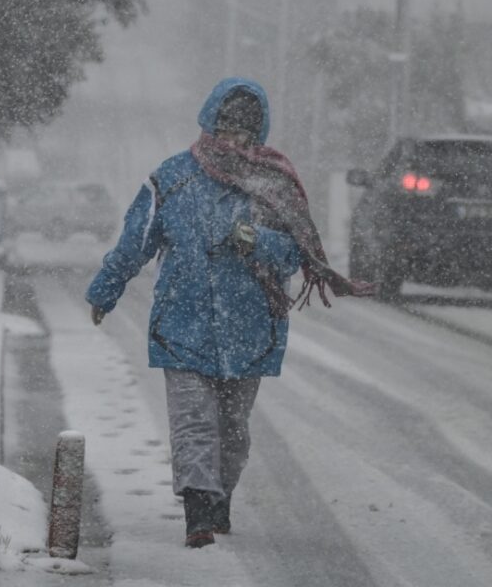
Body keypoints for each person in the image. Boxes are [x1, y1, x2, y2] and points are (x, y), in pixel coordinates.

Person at [86, 77, 375, 548]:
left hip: (250, 329)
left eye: (245, 130)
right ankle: (198, 510)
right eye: (227, 127)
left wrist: (257, 240)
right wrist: (106, 288)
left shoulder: (274, 186)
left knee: (232, 432)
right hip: (181, 324)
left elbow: (293, 256)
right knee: (193, 423)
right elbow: (136, 240)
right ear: (209, 122)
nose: (234, 138)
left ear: (259, 133)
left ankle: (219, 501)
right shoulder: (173, 178)